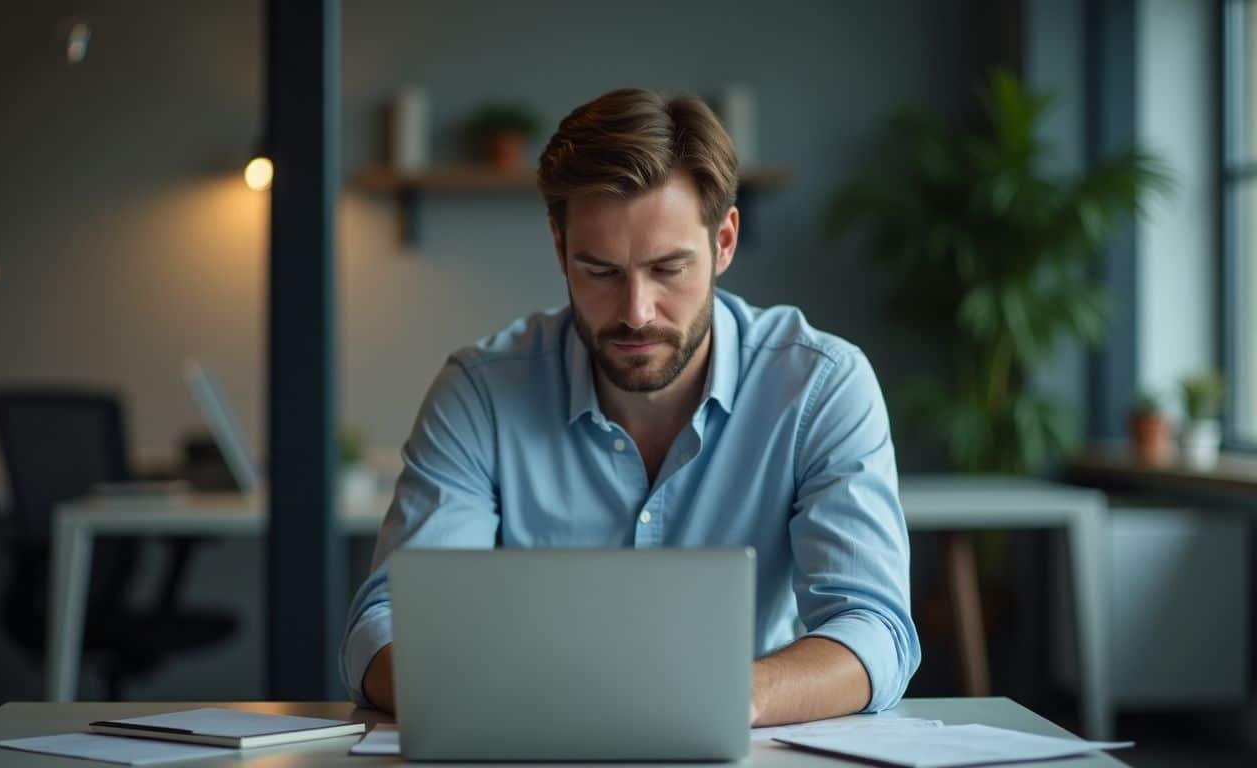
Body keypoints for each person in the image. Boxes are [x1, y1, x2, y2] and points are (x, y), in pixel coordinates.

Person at [340, 88, 920, 726]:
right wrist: (523, 701)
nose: (637, 312)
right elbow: (386, 624)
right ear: (560, 248)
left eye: (669, 269)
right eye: (600, 271)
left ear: (724, 241)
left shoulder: (821, 386)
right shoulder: (480, 393)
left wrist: (721, 698)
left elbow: (873, 630)